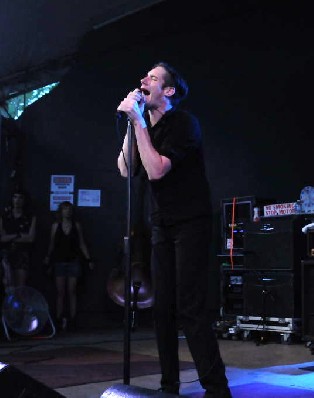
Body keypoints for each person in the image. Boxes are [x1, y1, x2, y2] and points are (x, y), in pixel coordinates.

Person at [116, 61, 231, 397]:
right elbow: (126, 169)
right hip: (161, 225)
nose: (142, 80)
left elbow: (155, 170)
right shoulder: (143, 128)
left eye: (152, 78)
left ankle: (217, 389)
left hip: (191, 222)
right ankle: (169, 387)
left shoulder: (184, 123)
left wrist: (138, 121)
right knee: (162, 308)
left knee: (190, 308)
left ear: (168, 91)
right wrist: (131, 124)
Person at [43, 201, 94, 331]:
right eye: (65, 209)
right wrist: (48, 259)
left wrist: (88, 259)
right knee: (60, 292)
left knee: (72, 291)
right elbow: (52, 244)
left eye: (69, 209)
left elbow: (82, 243)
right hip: (59, 261)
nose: (67, 211)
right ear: (61, 211)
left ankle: (72, 319)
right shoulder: (56, 226)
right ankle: (59, 319)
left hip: (73, 261)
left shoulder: (76, 226)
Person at [0, 190, 36, 289]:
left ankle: (20, 304)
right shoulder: (5, 216)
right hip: (6, 254)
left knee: (20, 287)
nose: (17, 200)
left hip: (22, 253)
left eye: (20, 198)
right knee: (7, 285)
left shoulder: (29, 217)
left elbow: (30, 238)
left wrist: (10, 237)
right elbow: (2, 238)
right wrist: (19, 235)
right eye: (15, 197)